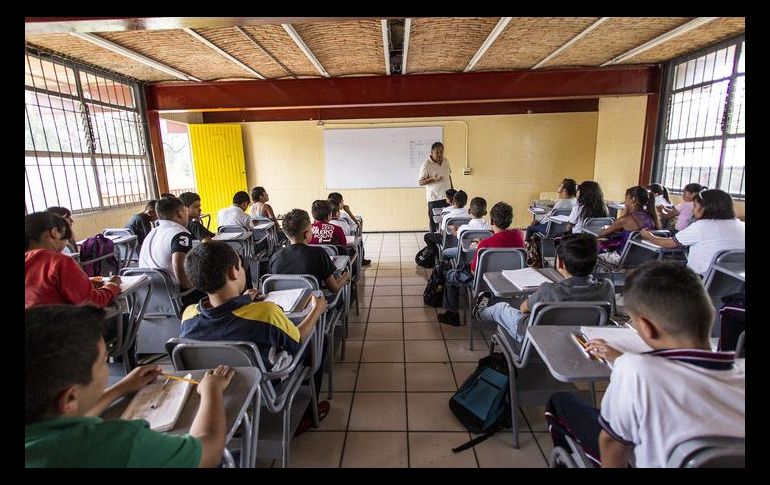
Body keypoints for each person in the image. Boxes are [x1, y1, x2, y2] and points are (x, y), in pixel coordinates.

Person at [544, 261, 744, 467]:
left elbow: (611, 442)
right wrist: (620, 358)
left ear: (646, 327)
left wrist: (626, 361)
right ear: (710, 311)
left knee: (561, 402)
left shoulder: (636, 371)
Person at [25, 305, 235, 468]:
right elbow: (209, 451)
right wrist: (211, 391)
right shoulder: (119, 443)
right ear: (70, 398)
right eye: (104, 360)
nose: (107, 368)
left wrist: (121, 388)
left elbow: (64, 417)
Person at [472, 233, 614, 345]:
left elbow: (523, 309)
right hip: (578, 340)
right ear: (595, 261)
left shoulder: (548, 290)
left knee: (501, 308)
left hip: (535, 339)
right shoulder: (607, 287)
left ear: (560, 264)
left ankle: (479, 312)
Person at [438, 202, 525, 326]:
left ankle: (452, 314)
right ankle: (486, 299)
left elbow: (474, 273)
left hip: (484, 283)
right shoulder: (519, 236)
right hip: (510, 281)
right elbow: (501, 241)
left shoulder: (485, 245)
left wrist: (481, 246)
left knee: (451, 276)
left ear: (492, 221)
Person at [25, 211, 121, 308]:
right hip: (61, 321)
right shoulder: (60, 262)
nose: (66, 243)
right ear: (54, 233)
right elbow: (92, 302)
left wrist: (84, 283)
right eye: (66, 238)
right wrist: (112, 285)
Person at [639, 189, 745, 276]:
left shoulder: (702, 226)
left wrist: (649, 236)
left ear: (706, 208)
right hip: (733, 283)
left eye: (695, 206)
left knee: (658, 274)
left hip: (698, 280)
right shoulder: (741, 226)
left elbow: (669, 244)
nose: (692, 210)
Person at [139, 196, 204, 306]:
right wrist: (194, 284)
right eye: (185, 211)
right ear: (179, 213)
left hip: (149, 296)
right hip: (176, 295)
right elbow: (180, 269)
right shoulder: (180, 234)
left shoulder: (152, 233)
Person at [269, 208, 350, 295]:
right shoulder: (318, 253)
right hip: (313, 304)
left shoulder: (275, 257)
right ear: (306, 234)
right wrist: (346, 275)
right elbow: (334, 288)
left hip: (283, 306)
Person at [596, 186, 659, 265]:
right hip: (643, 258)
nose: (624, 202)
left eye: (626, 199)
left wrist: (625, 211)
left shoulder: (625, 220)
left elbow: (601, 234)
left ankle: (597, 275)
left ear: (632, 199)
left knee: (594, 248)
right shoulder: (651, 217)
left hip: (622, 258)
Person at [327, 192, 372, 266]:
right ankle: (360, 262)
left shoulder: (320, 224)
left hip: (327, 253)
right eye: (342, 201)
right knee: (358, 240)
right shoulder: (343, 219)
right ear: (340, 203)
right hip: (342, 250)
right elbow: (355, 226)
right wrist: (348, 211)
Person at [418, 142, 453, 232]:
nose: (439, 154)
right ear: (431, 153)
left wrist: (452, 191)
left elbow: (448, 176)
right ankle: (433, 244)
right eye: (437, 152)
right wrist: (432, 179)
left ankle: (445, 243)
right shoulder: (426, 165)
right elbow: (420, 182)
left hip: (447, 197)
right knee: (434, 224)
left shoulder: (446, 160)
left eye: (441, 152)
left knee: (447, 222)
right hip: (434, 198)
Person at [423, 190, 469, 257]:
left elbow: (442, 231)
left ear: (454, 201)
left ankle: (437, 257)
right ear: (465, 202)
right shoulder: (469, 215)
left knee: (427, 236)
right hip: (465, 243)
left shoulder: (448, 216)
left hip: (448, 242)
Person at [442, 196, 490, 261]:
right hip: (483, 258)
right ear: (485, 212)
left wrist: (454, 229)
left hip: (465, 258)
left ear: (469, 211)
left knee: (445, 252)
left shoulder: (464, 228)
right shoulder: (490, 228)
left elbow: (455, 234)